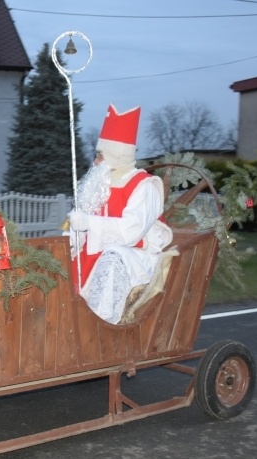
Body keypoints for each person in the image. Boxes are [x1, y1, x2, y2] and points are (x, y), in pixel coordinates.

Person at [68, 104, 173, 324]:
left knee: (114, 257)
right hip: (95, 252)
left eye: (100, 156)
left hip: (134, 254)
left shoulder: (144, 185)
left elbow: (130, 233)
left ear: (115, 155)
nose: (95, 162)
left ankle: (102, 327)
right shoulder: (99, 182)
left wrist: (89, 222)